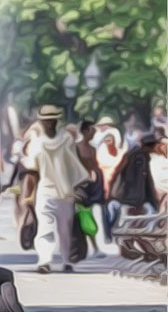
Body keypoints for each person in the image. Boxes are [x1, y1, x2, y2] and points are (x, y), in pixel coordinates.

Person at [29, 105, 89, 274]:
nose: (49, 123)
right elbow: (76, 166)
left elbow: (31, 167)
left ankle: (57, 260)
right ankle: (49, 260)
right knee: (55, 228)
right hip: (61, 191)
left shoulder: (40, 142)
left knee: (59, 229)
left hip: (51, 191)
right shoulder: (66, 140)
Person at [74, 121, 104, 257]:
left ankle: (92, 247)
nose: (94, 133)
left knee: (86, 216)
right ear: (85, 131)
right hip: (78, 187)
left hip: (90, 187)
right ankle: (89, 247)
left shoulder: (92, 149)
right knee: (82, 217)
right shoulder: (76, 147)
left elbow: (95, 166)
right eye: (92, 130)